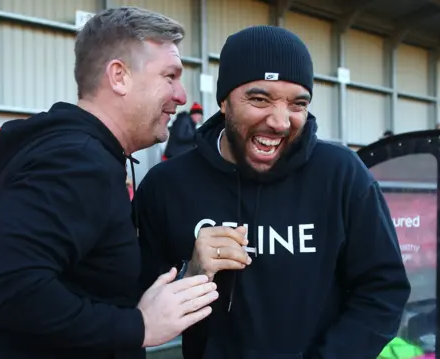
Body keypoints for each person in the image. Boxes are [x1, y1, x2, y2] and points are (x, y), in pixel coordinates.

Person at [134, 25, 411, 359]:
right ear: (224, 101)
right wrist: (192, 273)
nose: (280, 121)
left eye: (297, 104)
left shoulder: (341, 174)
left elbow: (384, 290)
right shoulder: (168, 186)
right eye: (259, 99)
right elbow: (138, 304)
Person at [0, 7, 218, 359]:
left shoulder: (90, 155)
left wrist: (192, 269)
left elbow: (93, 286)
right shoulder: (76, 161)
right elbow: (5, 289)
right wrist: (139, 327)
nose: (181, 94)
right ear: (119, 76)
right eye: (170, 76)